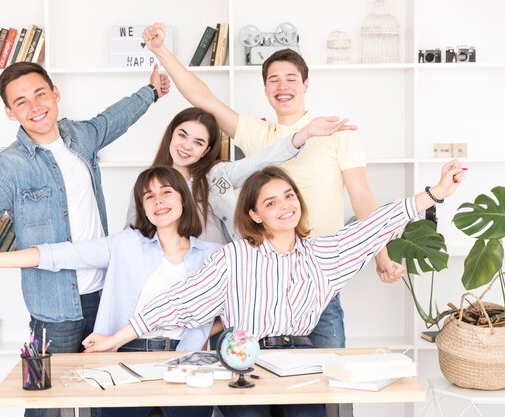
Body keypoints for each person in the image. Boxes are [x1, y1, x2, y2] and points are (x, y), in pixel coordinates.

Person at [78, 160, 465, 417]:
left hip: (302, 359)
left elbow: (373, 227)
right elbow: (177, 302)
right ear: (254, 214)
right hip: (245, 356)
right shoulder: (234, 258)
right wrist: (115, 339)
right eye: (270, 202)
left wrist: (434, 193)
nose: (284, 206)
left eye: (289, 196)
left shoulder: (322, 253)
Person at [0, 61, 169, 417]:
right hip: (55, 308)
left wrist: (151, 91)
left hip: (106, 295)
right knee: (44, 405)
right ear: (10, 113)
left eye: (40, 93)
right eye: (21, 101)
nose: (35, 106)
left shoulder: (82, 137)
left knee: (108, 397)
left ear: (56, 94)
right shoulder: (9, 166)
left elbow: (115, 117)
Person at [141, 22, 405, 352]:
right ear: (266, 90)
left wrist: (381, 255)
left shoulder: (338, 133)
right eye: (273, 80)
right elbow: (202, 98)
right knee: (249, 383)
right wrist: (160, 50)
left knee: (326, 382)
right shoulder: (257, 134)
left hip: (317, 278)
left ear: (306, 84)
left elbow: (362, 197)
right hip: (260, 281)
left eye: (291, 78)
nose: (282, 86)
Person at [0, 166, 220, 417]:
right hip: (127, 355)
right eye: (148, 196)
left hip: (186, 358)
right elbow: (64, 254)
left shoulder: (212, 255)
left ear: (183, 199)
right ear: (143, 208)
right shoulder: (126, 244)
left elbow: (229, 313)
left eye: (166, 192)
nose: (158, 201)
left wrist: (200, 332)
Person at [126, 107, 357, 245]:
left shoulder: (216, 175)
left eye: (198, 142)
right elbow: (131, 235)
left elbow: (263, 160)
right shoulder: (148, 184)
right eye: (182, 136)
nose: (186, 146)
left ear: (206, 150)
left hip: (216, 273)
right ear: (171, 135)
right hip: (170, 274)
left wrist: (304, 134)